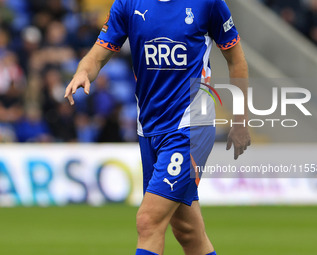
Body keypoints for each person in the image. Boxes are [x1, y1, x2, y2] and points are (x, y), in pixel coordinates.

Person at [64, 0, 251, 254]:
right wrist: (83, 72)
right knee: (187, 231)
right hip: (149, 130)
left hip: (191, 126)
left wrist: (240, 120)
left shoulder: (208, 3)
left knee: (148, 221)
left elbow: (236, 59)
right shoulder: (128, 4)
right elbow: (97, 56)